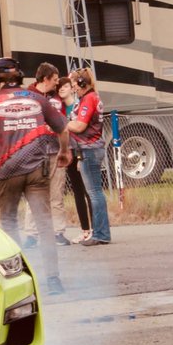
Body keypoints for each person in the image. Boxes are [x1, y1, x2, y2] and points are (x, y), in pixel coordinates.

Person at [0, 57, 71, 295]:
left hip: (7, 170)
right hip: (37, 170)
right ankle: (53, 280)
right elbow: (63, 128)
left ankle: (19, 279)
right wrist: (64, 151)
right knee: (44, 224)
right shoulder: (37, 98)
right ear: (19, 76)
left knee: (9, 224)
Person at [19, 63, 72, 246]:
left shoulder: (58, 97)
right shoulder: (27, 96)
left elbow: (66, 119)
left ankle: (58, 232)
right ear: (45, 79)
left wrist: (66, 148)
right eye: (55, 80)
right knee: (33, 195)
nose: (57, 84)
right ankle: (32, 235)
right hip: (34, 153)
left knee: (56, 194)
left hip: (56, 151)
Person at [66, 67, 111, 246]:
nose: (73, 88)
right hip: (89, 148)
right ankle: (101, 233)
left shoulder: (89, 99)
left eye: (74, 84)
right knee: (95, 193)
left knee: (94, 193)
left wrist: (62, 122)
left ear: (82, 83)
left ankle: (100, 234)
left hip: (90, 149)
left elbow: (80, 126)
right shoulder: (89, 97)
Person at [58, 76, 92, 242]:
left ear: (72, 88)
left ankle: (94, 228)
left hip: (80, 151)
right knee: (77, 191)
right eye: (59, 87)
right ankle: (85, 229)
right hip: (67, 152)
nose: (62, 89)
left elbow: (80, 130)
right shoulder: (59, 108)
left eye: (65, 86)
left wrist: (79, 156)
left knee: (88, 191)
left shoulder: (78, 106)